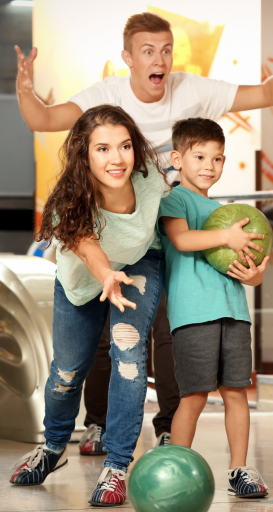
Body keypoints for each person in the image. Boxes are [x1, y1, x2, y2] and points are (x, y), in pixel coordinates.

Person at [14, 11, 273, 451]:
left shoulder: (192, 90)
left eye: (166, 50)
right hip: (116, 227)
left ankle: (168, 424)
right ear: (128, 58)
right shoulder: (106, 96)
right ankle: (96, 423)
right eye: (148, 51)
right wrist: (24, 90)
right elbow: (42, 119)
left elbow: (266, 93)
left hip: (166, 224)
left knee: (166, 331)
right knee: (101, 335)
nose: (160, 59)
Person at [9, 105, 169, 507]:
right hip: (82, 282)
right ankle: (53, 446)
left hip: (138, 266)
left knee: (129, 356)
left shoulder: (151, 181)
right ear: (84, 155)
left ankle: (116, 465)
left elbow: (177, 220)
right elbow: (86, 245)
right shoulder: (68, 200)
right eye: (102, 149)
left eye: (125, 146)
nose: (117, 159)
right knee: (66, 371)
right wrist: (105, 275)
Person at [157, 118, 269, 498]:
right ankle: (176, 467)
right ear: (177, 158)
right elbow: (183, 239)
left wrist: (254, 276)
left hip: (233, 312)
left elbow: (240, 270)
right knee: (195, 395)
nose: (209, 166)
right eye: (200, 156)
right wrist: (227, 236)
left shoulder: (224, 210)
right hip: (193, 316)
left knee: (236, 392)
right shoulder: (175, 200)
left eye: (218, 158)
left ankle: (239, 470)